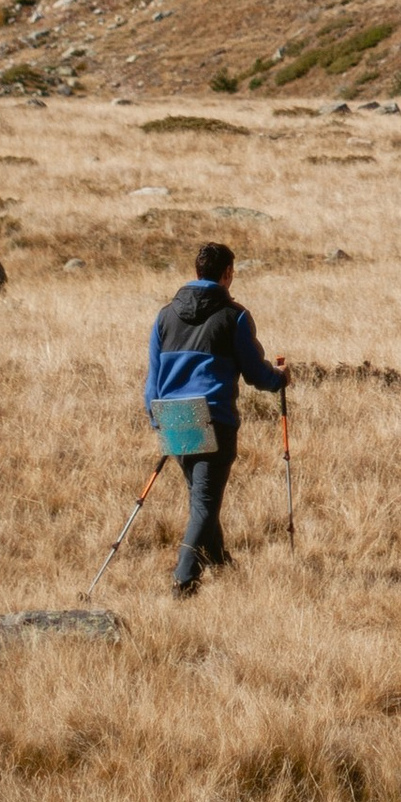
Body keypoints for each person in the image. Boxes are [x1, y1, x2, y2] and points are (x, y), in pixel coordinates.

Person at [145, 240, 288, 597]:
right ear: (227, 274)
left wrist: (156, 419)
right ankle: (184, 578)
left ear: (197, 271)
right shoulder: (234, 315)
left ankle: (219, 560)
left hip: (172, 415)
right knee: (205, 503)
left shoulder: (165, 316)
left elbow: (153, 378)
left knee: (200, 497)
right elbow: (256, 374)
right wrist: (280, 378)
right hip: (213, 416)